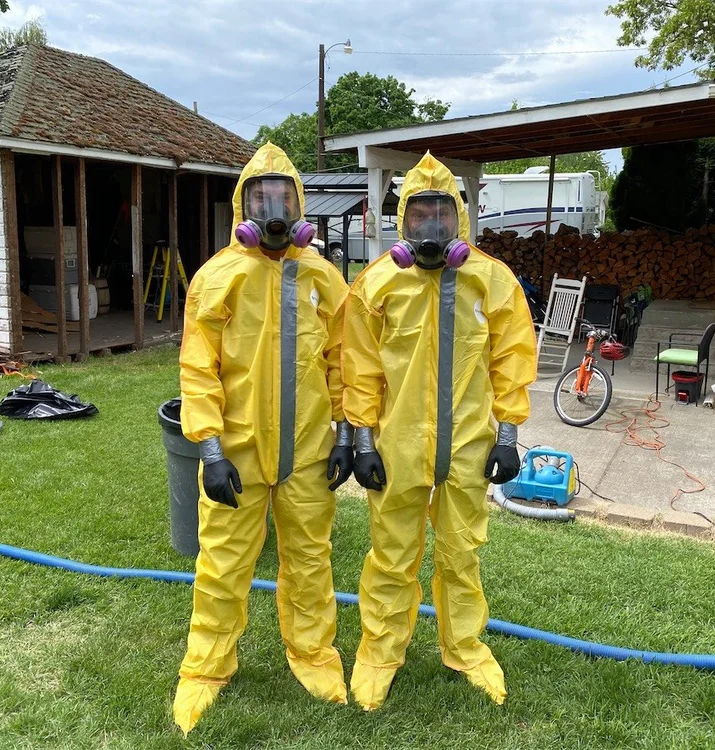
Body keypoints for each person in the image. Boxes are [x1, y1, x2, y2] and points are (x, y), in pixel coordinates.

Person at [342, 152, 538, 711]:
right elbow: (360, 369)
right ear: (402, 221)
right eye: (420, 214)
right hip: (396, 448)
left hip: (470, 446)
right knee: (391, 557)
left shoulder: (493, 281)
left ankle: (467, 648)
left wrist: (507, 436)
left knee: (461, 555)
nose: (431, 226)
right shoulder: (377, 285)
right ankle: (380, 656)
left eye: (442, 214)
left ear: (461, 219)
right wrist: (361, 440)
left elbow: (513, 361)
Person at [173, 142, 353, 735]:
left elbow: (343, 362)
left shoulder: (325, 279)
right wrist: (210, 450)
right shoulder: (218, 278)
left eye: (283, 198)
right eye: (261, 198)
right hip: (237, 455)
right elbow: (199, 370)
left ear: (299, 205)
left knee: (309, 561)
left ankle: (314, 656)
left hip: (307, 452)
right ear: (242, 207)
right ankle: (206, 670)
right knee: (223, 564)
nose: (273, 210)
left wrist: (349, 436)